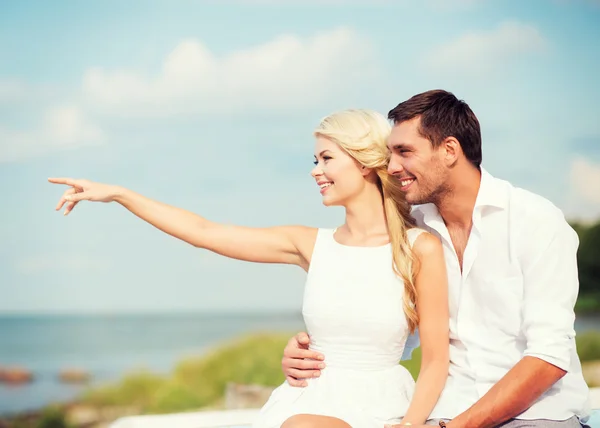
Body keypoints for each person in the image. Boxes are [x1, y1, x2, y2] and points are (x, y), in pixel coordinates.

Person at [48, 109, 450, 428]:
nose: (315, 170)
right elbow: (204, 232)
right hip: (305, 399)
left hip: (379, 408)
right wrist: (120, 194)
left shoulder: (419, 248)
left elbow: (434, 358)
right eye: (315, 159)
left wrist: (412, 425)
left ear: (364, 163)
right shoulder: (310, 244)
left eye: (327, 158)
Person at [280, 90, 592, 428]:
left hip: (537, 416)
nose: (392, 166)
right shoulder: (411, 232)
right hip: (443, 414)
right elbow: (389, 334)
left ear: (449, 150)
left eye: (404, 152)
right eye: (390, 154)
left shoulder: (535, 220)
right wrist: (311, 354)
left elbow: (548, 357)